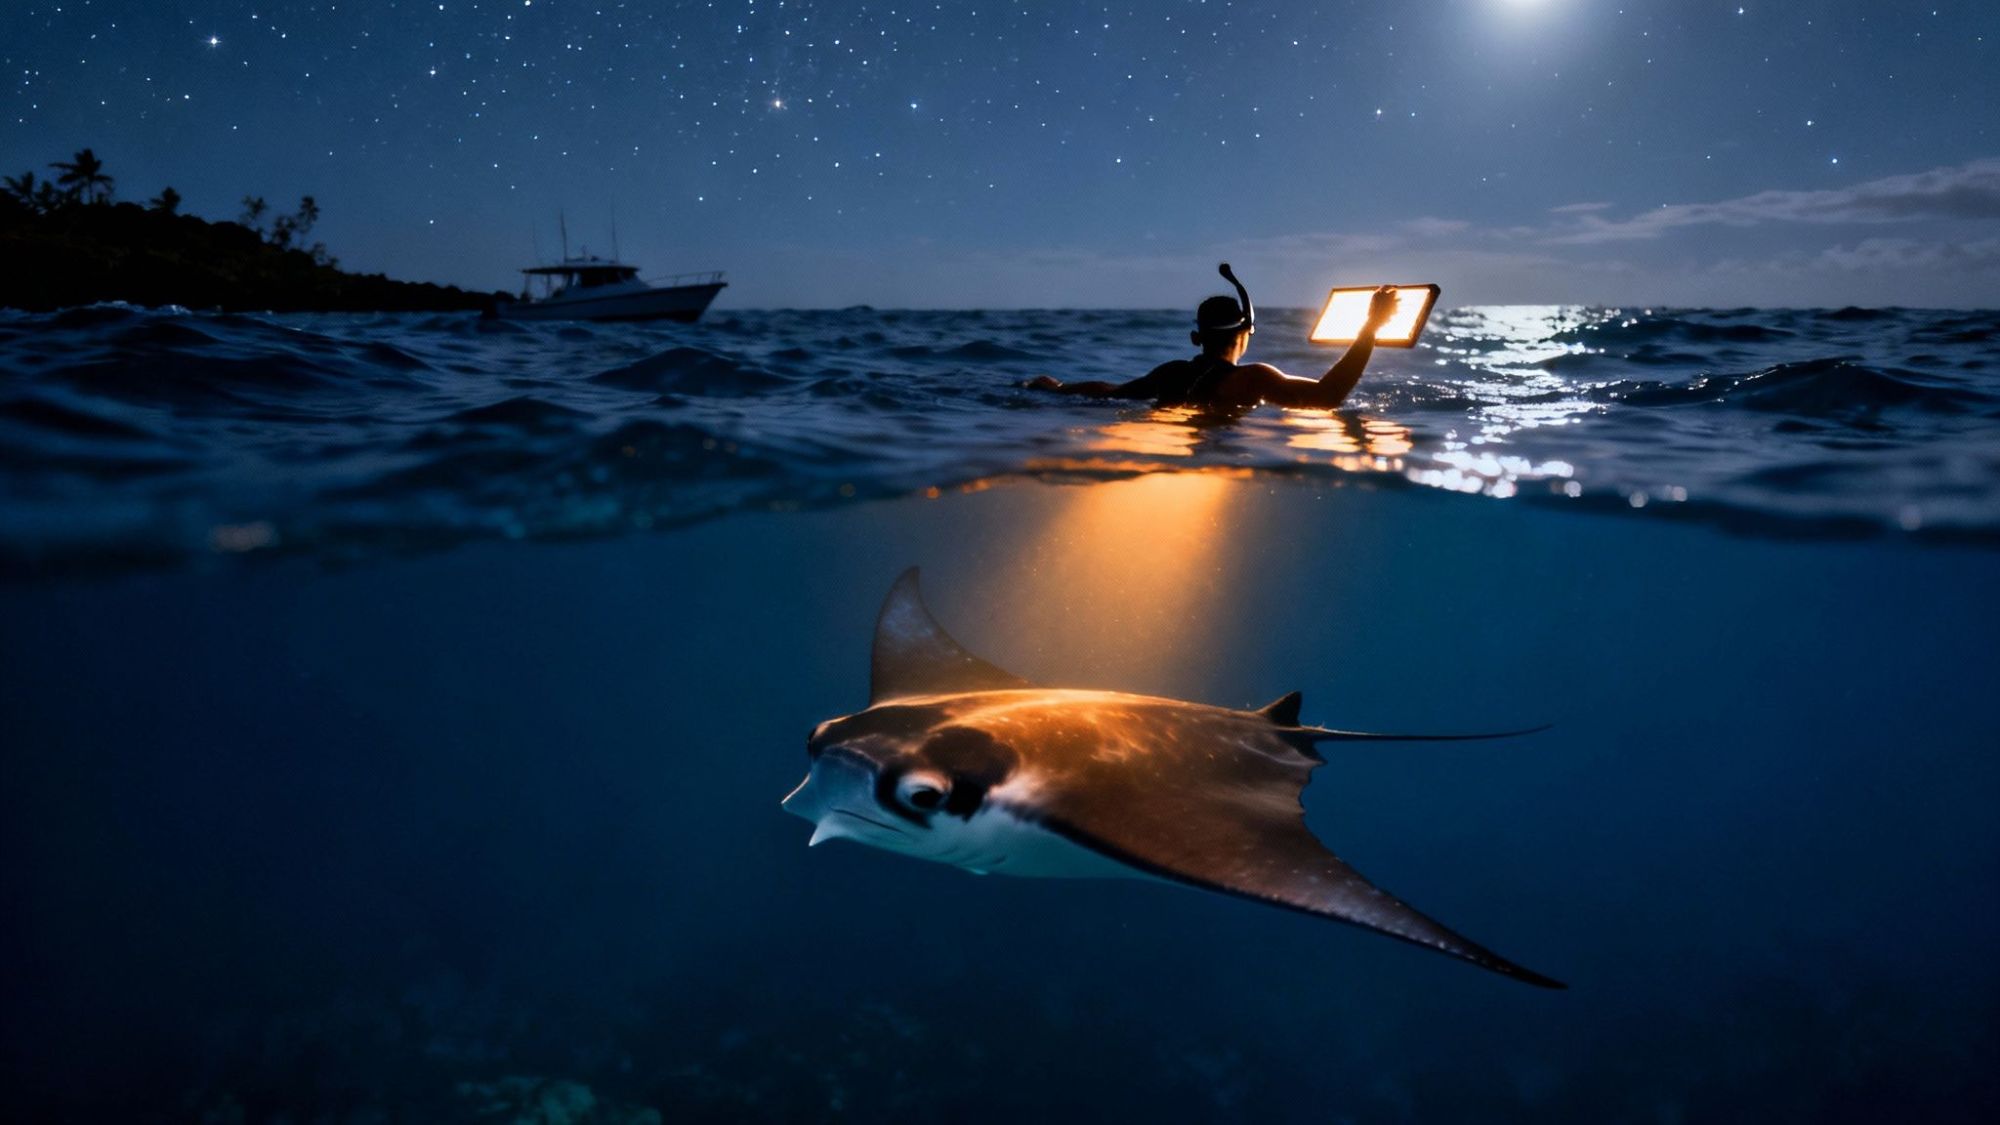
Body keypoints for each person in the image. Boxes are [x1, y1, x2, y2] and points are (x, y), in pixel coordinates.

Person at [1027, 264, 1398, 410]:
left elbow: (1109, 392)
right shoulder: (1254, 379)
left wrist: (1057, 388)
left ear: (1196, 339)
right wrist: (1370, 327)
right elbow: (1327, 397)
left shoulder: (1170, 373)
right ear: (1247, 332)